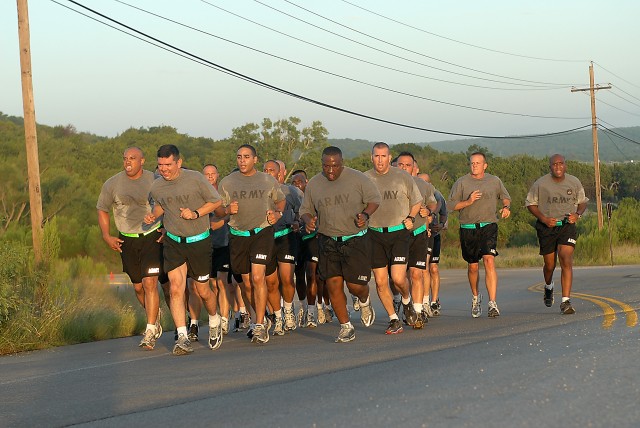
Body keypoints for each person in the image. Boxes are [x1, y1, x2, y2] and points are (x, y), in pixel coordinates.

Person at [146, 144, 224, 355]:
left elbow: (216, 201)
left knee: (202, 290)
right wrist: (153, 215)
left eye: (168, 164)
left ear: (178, 162)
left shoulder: (195, 178)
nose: (164, 169)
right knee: (176, 288)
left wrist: (196, 213)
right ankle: (182, 337)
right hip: (173, 241)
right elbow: (161, 205)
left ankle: (215, 318)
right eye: (161, 165)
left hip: (199, 239)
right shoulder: (156, 186)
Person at [300, 146, 380, 343]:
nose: (330, 170)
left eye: (334, 166)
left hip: (355, 239)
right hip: (328, 240)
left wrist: (366, 215)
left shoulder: (357, 178)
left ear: (341, 163)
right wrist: (308, 220)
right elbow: (305, 209)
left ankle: (364, 300)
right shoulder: (315, 184)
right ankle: (346, 327)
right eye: (326, 166)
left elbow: (374, 199)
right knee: (333, 285)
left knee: (355, 286)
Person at [97, 147, 166, 350]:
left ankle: (150, 330)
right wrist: (106, 235)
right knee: (138, 287)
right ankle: (154, 315)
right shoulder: (112, 183)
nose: (128, 162)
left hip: (152, 237)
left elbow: (168, 204)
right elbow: (102, 209)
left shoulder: (155, 180)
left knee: (150, 283)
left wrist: (164, 227)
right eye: (125, 158)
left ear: (142, 161)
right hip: (127, 239)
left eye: (132, 158)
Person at [217, 145, 285, 344]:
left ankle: (259, 325)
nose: (242, 161)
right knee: (246, 284)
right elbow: (218, 211)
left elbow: (280, 201)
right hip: (238, 235)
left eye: (246, 157)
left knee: (258, 278)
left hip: (261, 232)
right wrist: (228, 209)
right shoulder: (227, 182)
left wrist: (277, 214)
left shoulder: (267, 180)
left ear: (255, 159)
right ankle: (260, 315)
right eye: (239, 157)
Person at [365, 143, 422, 334]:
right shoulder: (365, 179)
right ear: (371, 157)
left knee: (398, 278)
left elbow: (417, 201)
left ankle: (407, 302)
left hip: (398, 232)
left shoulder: (403, 176)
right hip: (374, 233)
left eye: (383, 156)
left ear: (390, 158)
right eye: (376, 156)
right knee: (381, 282)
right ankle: (393, 319)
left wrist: (411, 218)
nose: (380, 160)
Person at [448, 152, 511, 318]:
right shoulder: (462, 182)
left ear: (485, 165)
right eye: (472, 163)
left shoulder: (494, 180)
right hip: (468, 227)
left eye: (477, 163)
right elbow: (451, 205)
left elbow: (506, 197)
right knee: (473, 266)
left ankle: (492, 303)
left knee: (489, 260)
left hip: (488, 225)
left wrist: (506, 208)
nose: (474, 165)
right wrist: (468, 202)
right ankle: (476, 297)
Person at [525, 154, 588, 314]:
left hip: (567, 225)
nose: (558, 167)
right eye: (554, 164)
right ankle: (548, 286)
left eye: (561, 164)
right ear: (550, 167)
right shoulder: (540, 183)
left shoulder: (574, 182)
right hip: (547, 227)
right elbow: (530, 204)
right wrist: (544, 219)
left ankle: (565, 301)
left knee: (565, 258)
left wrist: (577, 215)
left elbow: (582, 201)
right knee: (550, 265)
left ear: (565, 165)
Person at [395, 152, 437, 326]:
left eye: (408, 165)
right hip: (398, 233)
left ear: (414, 167)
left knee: (416, 273)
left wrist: (429, 212)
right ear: (395, 166)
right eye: (401, 165)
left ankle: (418, 312)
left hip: (419, 232)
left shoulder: (422, 184)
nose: (404, 168)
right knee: (398, 277)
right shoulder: (390, 183)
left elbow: (433, 203)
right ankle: (403, 301)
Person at [263, 160, 304, 335]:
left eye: (271, 170)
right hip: (265, 239)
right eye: (265, 170)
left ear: (279, 173)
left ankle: (288, 310)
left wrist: (297, 222)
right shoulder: (259, 191)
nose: (267, 173)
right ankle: (277, 316)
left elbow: (303, 211)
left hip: (286, 236)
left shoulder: (291, 191)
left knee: (287, 278)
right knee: (271, 283)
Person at [420, 173, 448, 316]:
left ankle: (434, 300)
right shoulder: (414, 194)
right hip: (421, 236)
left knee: (433, 268)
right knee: (421, 268)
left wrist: (441, 225)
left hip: (434, 235)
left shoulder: (437, 196)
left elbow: (444, 214)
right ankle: (422, 301)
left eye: (426, 182)